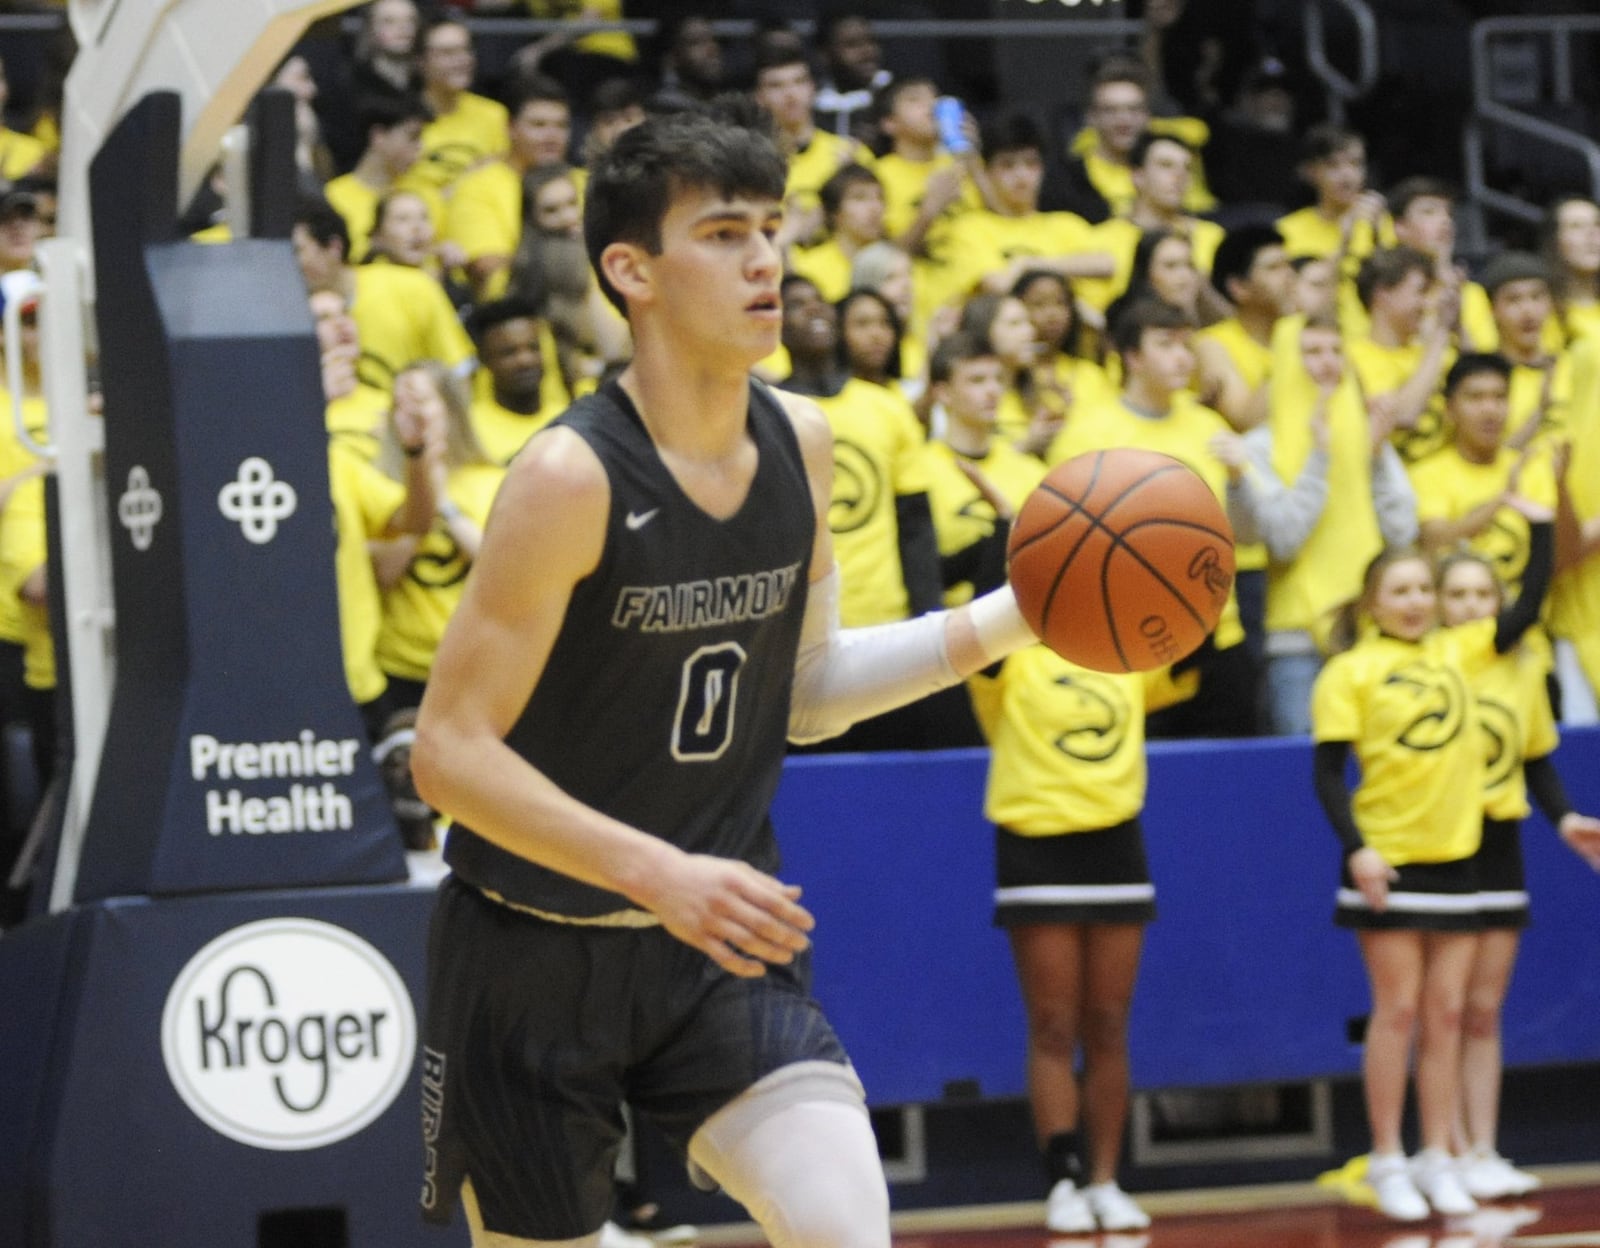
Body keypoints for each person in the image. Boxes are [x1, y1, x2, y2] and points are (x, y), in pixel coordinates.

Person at [410, 106, 1038, 1248]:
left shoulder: (802, 439)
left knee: (846, 1224)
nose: (765, 261)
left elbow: (804, 692)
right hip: (526, 952)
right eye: (723, 232)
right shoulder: (567, 475)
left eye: (773, 228)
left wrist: (1015, 615)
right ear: (630, 270)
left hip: (712, 944)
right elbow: (446, 754)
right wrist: (657, 873)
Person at [1309, 515, 1552, 1222]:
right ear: (1372, 602)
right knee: (1400, 1010)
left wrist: (1536, 520)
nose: (1416, 600)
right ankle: (1389, 1156)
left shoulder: (1461, 653)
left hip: (1460, 861)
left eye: (1424, 588)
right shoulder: (1348, 672)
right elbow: (1327, 774)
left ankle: (1440, 1153)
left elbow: (1528, 606)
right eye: (1402, 589)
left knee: (1448, 1014)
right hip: (1389, 857)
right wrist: (1358, 848)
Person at [1435, 548, 1600, 1200]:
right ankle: (1440, 1148)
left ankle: (1482, 1147)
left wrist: (1562, 819)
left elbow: (1536, 760)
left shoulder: (1523, 670)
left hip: (1500, 844)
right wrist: (1537, 527)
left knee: (1482, 1010)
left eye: (1483, 596)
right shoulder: (1433, 666)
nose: (1473, 609)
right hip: (1439, 844)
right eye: (1460, 597)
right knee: (1441, 1010)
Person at [1219, 311, 1418, 734]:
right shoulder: (1257, 447)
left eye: (1334, 350)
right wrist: (1320, 456)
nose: (1326, 362)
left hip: (1369, 630)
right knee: (1303, 768)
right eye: (1310, 351)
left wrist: (1377, 457)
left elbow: (1401, 535)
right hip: (1297, 642)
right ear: (1288, 362)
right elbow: (1285, 539)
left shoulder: (1367, 434)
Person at [376, 362, 505, 710]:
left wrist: (444, 504)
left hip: (477, 667)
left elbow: (500, 568)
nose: (410, 413)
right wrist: (421, 502)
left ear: (449, 408)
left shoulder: (491, 482)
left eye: (419, 401)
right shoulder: (383, 491)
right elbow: (384, 573)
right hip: (401, 668)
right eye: (399, 403)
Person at [293, 196, 474, 394]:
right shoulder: (286, 314)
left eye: (296, 251)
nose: (284, 262)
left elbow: (458, 373)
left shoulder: (414, 287)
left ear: (334, 248)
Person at [446, 77, 576, 301]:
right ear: (511, 128)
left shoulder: (584, 182)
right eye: (538, 125)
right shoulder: (478, 186)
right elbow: (488, 268)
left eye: (561, 125)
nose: (552, 136)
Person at [413, 17, 510, 195]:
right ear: (420, 62)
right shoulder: (404, 117)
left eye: (466, 50)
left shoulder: (494, 114)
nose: (462, 60)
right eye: (448, 53)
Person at [467, 298, 561, 466]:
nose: (525, 360)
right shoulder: (470, 430)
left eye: (533, 348)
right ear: (484, 360)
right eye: (509, 353)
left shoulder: (570, 420)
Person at [1539, 194, 1600, 345]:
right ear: (1554, 242)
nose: (1592, 234)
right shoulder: (1540, 311)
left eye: (1598, 224)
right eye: (1576, 226)